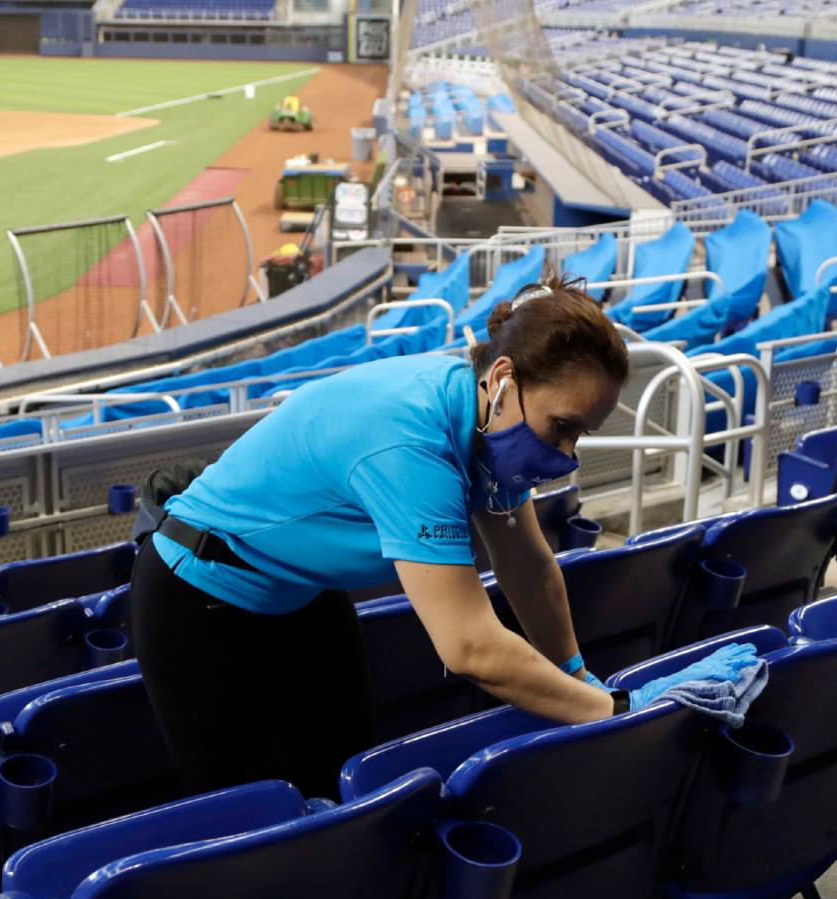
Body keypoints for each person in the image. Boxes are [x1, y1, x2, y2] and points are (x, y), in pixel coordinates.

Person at [129, 275, 741, 800]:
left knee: (339, 781)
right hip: (197, 597)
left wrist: (580, 676)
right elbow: (469, 648)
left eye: (579, 435)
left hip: (302, 592)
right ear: (503, 379)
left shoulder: (489, 426)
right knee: (254, 814)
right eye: (561, 428)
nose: (566, 454)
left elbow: (529, 569)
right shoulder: (412, 443)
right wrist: (616, 714)